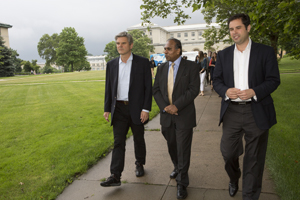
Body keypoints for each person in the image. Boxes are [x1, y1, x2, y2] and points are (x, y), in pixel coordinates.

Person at [213, 13, 280, 200]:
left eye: (238, 28)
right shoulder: (224, 54)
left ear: (248, 28)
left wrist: (255, 91)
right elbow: (216, 80)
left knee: (254, 160)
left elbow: (274, 80)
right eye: (231, 29)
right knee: (228, 152)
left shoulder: (265, 52)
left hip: (256, 111)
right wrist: (226, 91)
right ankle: (234, 177)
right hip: (232, 112)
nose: (234, 32)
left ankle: (249, 196)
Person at [101, 31, 152, 187]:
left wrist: (146, 109)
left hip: (137, 108)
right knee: (118, 142)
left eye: (123, 43)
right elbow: (109, 88)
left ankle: (139, 163)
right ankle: (115, 175)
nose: (120, 46)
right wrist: (107, 108)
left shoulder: (142, 63)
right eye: (118, 43)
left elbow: (148, 88)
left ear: (131, 45)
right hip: (119, 110)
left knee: (138, 138)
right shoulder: (111, 64)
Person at [153, 38, 199, 199]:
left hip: (184, 115)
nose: (165, 51)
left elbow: (193, 90)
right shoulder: (161, 68)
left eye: (168, 49)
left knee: (183, 149)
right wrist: (165, 107)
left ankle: (182, 183)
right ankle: (177, 167)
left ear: (178, 50)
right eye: (165, 49)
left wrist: (176, 106)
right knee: (172, 145)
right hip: (167, 116)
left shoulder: (191, 67)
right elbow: (156, 90)